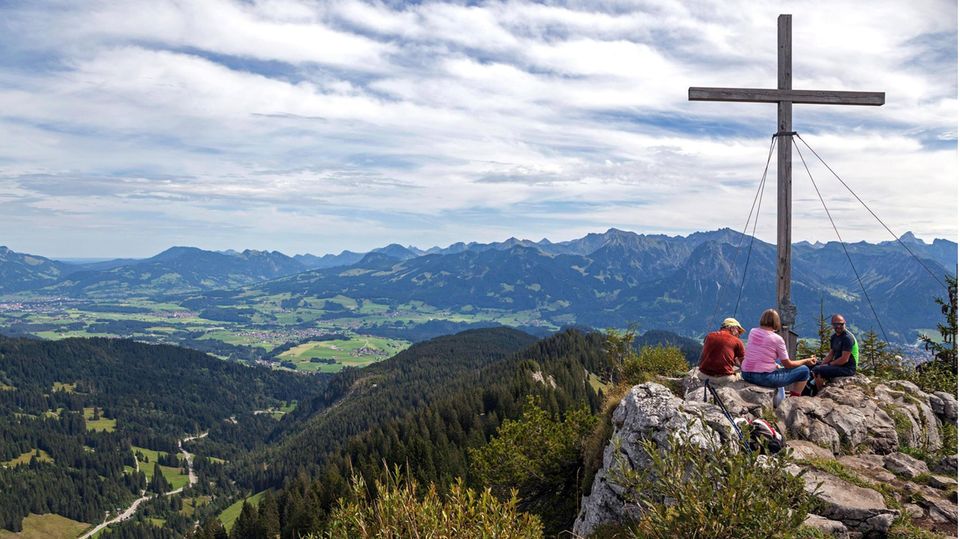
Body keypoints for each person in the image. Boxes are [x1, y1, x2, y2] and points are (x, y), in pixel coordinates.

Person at [741, 309, 817, 404]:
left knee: (777, 367)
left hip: (746, 373)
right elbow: (788, 364)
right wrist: (806, 360)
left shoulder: (753, 332)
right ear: (776, 322)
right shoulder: (777, 339)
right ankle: (792, 401)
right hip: (763, 377)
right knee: (804, 370)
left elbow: (760, 355)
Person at [812, 314, 858, 390]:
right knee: (813, 365)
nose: (839, 326)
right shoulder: (834, 337)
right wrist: (823, 363)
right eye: (836, 324)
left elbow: (844, 359)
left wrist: (828, 364)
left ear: (844, 323)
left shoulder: (847, 338)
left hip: (848, 368)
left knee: (818, 370)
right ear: (832, 325)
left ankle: (819, 392)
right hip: (839, 365)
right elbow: (831, 354)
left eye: (841, 324)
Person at [697, 317, 746, 384]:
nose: (739, 334)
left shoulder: (709, 336)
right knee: (739, 375)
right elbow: (743, 363)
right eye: (738, 330)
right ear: (732, 328)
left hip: (703, 376)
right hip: (725, 379)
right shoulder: (737, 341)